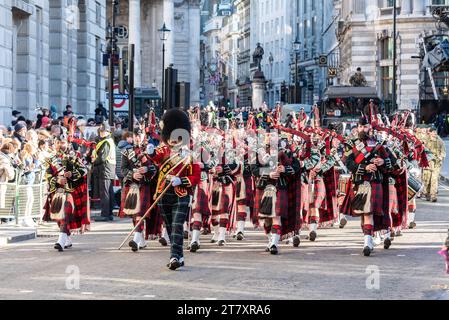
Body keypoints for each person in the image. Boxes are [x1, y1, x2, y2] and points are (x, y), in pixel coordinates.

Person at [149, 108, 200, 270]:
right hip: (163, 192)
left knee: (178, 225)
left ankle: (174, 257)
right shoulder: (163, 150)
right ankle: (179, 255)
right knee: (170, 226)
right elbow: (156, 159)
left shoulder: (189, 155)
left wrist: (181, 180)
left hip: (181, 192)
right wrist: (149, 152)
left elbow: (195, 177)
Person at [43, 136, 89, 251]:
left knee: (66, 212)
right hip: (57, 192)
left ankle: (61, 239)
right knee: (60, 217)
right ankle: (67, 239)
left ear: (67, 143)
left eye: (62, 142)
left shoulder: (74, 157)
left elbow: (84, 170)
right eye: (58, 142)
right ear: (54, 143)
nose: (60, 145)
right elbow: (47, 175)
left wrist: (72, 174)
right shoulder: (50, 159)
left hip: (70, 191)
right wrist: (57, 180)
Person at [92, 122, 116, 220]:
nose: (101, 133)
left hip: (105, 169)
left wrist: (94, 160)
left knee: (104, 193)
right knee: (108, 192)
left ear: (107, 132)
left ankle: (105, 214)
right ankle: (109, 213)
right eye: (100, 131)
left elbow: (102, 157)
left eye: (103, 131)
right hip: (108, 169)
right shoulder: (109, 141)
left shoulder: (106, 142)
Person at [422, 127, 446, 202]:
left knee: (434, 179)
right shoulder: (426, 140)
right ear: (430, 133)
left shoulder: (440, 141)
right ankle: (427, 193)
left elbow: (443, 151)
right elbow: (421, 150)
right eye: (433, 132)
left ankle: (433, 195)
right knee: (427, 179)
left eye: (436, 132)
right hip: (428, 163)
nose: (435, 134)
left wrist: (441, 157)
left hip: (436, 163)